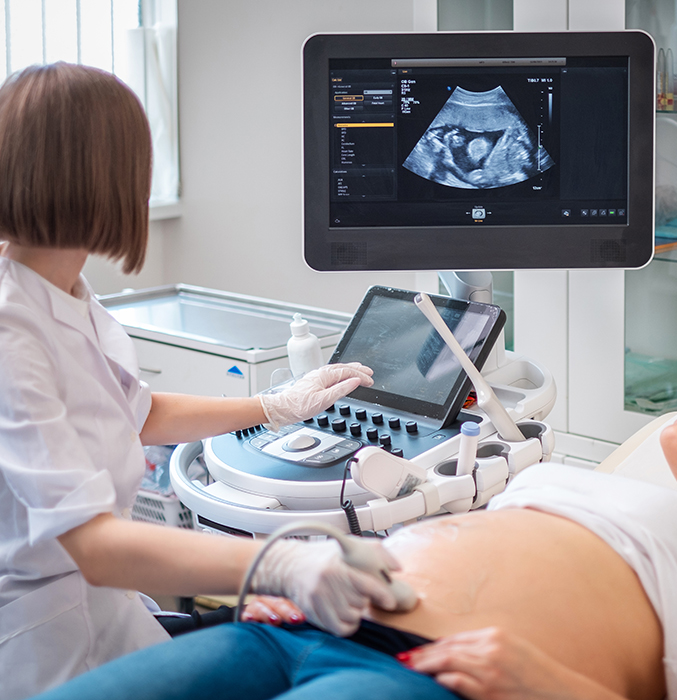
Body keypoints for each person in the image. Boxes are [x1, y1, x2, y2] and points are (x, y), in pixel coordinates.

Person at [0, 63, 401, 700]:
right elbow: (95, 546)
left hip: (109, 615)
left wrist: (274, 405)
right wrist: (278, 566)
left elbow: (136, 410)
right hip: (41, 646)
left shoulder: (64, 290)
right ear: (104, 175)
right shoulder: (9, 330)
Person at [25, 380, 677, 700]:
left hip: (428, 674)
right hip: (302, 621)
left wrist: (551, 686)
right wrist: (293, 576)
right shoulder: (577, 478)